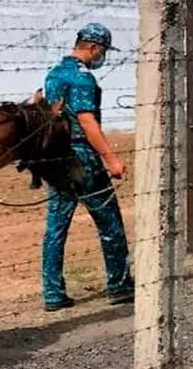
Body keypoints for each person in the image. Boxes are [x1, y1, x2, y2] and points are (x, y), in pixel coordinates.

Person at [40, 22, 134, 312]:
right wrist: (111, 158)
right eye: (102, 50)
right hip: (82, 159)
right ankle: (119, 285)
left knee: (56, 227)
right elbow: (86, 121)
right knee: (110, 222)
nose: (102, 56)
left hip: (57, 158)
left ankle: (53, 293)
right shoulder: (83, 79)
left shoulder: (54, 74)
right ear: (92, 47)